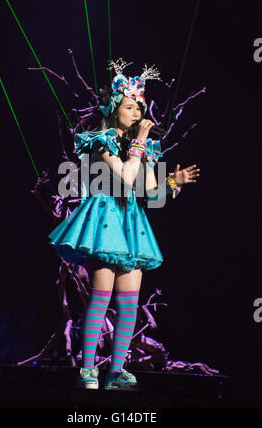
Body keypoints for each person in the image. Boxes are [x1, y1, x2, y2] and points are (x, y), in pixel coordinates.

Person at [48, 58, 200, 390]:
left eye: (139, 108)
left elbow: (146, 189)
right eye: (130, 107)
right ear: (115, 107)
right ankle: (89, 370)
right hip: (105, 219)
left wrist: (174, 182)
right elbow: (125, 177)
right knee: (101, 297)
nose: (137, 113)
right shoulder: (102, 139)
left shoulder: (138, 146)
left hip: (131, 221)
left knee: (129, 301)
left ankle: (116, 371)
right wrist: (141, 144)